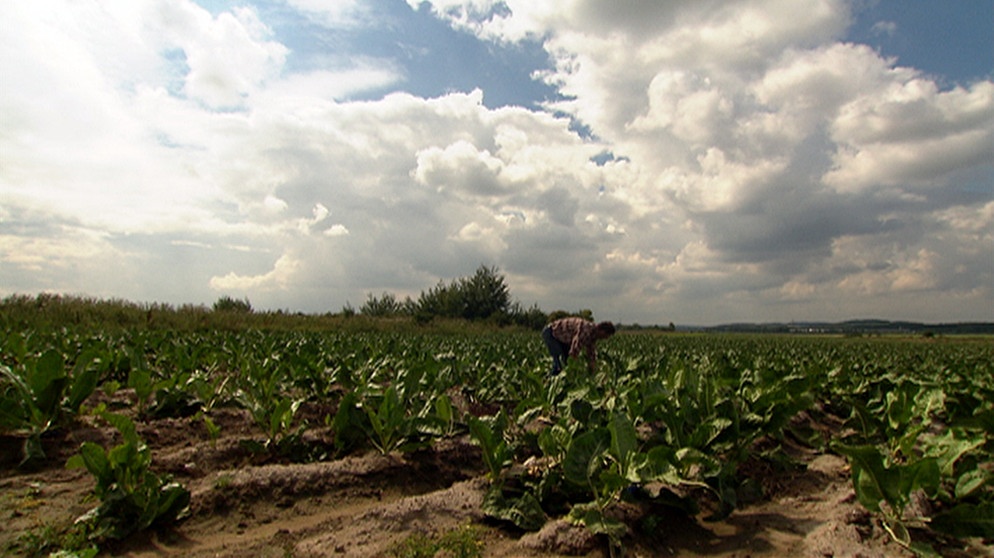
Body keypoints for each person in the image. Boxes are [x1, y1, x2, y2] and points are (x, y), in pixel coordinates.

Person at [542, 317, 616, 375]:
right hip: (552, 333)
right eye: (606, 335)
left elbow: (591, 353)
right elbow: (574, 349)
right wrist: (574, 368)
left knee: (566, 362)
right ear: (602, 331)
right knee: (559, 364)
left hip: (562, 339)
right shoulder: (586, 330)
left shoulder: (593, 336)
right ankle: (550, 382)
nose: (606, 338)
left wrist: (592, 369)